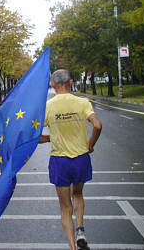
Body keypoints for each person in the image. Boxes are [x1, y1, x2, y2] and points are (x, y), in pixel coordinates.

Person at [39, 69, 102, 250]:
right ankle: (81, 229)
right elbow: (97, 125)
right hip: (81, 158)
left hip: (60, 161)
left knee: (65, 207)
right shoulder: (83, 103)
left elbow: (34, 135)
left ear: (53, 84)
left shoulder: (49, 107)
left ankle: (72, 247)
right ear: (71, 82)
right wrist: (90, 144)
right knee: (78, 194)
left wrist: (51, 138)